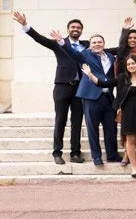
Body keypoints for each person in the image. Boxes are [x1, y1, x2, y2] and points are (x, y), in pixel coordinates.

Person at [12, 12, 84, 165]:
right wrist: (25, 25)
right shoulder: (58, 42)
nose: (75, 29)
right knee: (60, 120)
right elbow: (40, 39)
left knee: (77, 121)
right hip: (62, 87)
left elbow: (106, 50)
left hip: (80, 89)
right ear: (68, 29)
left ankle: (75, 153)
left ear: (81, 30)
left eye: (78, 27)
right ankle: (57, 153)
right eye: (73, 27)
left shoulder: (87, 45)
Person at [81, 54, 136, 177]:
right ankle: (134, 168)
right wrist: (90, 75)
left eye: (133, 63)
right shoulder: (122, 78)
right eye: (129, 64)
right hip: (128, 113)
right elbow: (103, 84)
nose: (131, 66)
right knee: (131, 139)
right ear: (126, 67)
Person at [55, 29, 120, 167]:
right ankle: (96, 157)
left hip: (108, 97)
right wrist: (61, 41)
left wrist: (125, 30)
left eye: (99, 42)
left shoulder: (111, 57)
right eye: (94, 42)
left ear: (104, 43)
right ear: (90, 45)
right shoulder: (85, 55)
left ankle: (113, 155)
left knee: (111, 128)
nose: (97, 44)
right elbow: (72, 53)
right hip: (91, 97)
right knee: (92, 129)